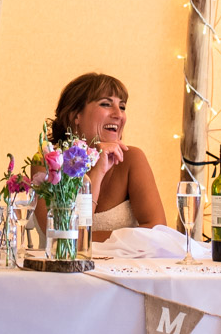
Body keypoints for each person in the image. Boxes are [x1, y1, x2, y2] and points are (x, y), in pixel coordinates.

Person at [34, 73, 165, 241]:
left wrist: (82, 239)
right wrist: (97, 172)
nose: (119, 114)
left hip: (121, 267)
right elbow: (58, 237)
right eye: (106, 104)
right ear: (75, 116)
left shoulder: (132, 159)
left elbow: (157, 230)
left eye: (122, 107)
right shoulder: (48, 161)